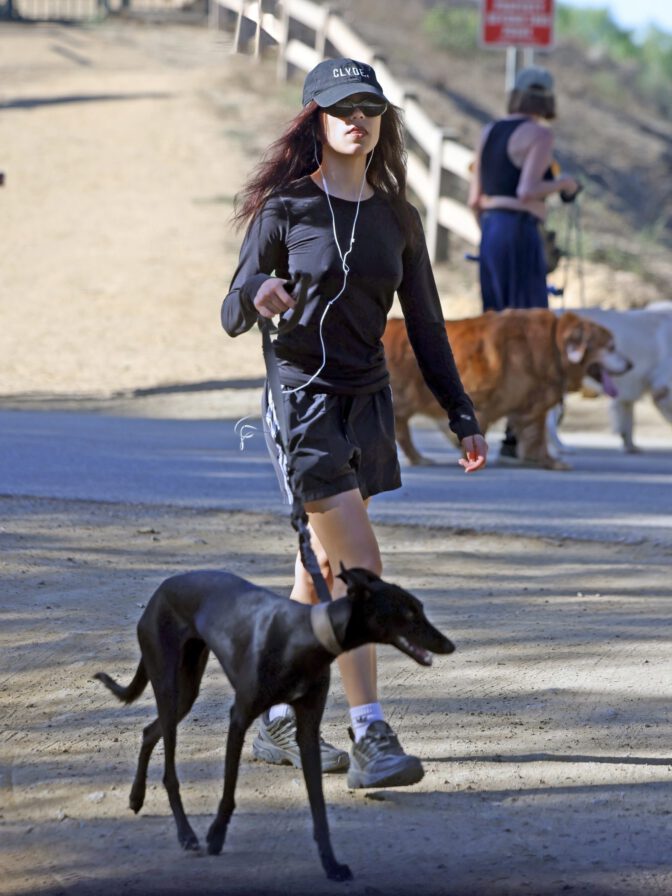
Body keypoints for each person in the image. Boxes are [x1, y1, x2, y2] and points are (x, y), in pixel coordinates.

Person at [221, 57, 488, 789]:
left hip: (366, 400)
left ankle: (270, 711)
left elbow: (428, 327)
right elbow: (230, 309)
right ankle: (370, 733)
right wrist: (259, 293)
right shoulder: (284, 210)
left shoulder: (398, 217)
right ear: (315, 119)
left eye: (368, 106)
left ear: (381, 122)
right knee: (357, 568)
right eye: (341, 107)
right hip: (301, 400)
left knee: (323, 567)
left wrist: (461, 413)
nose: (356, 117)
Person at [467, 65, 580, 461]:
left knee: (498, 327)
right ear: (547, 98)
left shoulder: (489, 131)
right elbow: (529, 188)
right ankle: (521, 436)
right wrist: (564, 185)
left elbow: (474, 199)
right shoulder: (540, 134)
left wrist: (490, 232)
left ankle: (488, 430)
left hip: (492, 231)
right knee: (530, 330)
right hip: (518, 230)